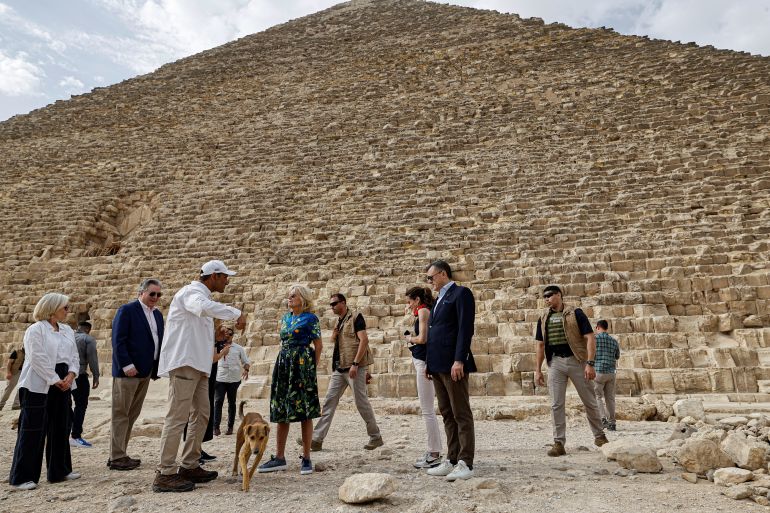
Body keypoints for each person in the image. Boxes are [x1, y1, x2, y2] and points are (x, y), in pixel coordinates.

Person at [153, 260, 245, 493]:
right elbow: (200, 307)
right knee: (177, 417)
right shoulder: (191, 293)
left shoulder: (204, 298)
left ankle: (189, 464)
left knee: (202, 415)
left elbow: (195, 327)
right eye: (225, 277)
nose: (227, 281)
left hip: (199, 365)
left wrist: (216, 333)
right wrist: (236, 313)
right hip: (185, 363)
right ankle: (165, 472)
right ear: (213, 276)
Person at [9, 293, 81, 490]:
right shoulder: (35, 330)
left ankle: (60, 470)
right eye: (65, 307)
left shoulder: (66, 330)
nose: (68, 311)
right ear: (52, 308)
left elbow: (74, 355)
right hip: (38, 383)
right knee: (32, 429)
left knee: (61, 426)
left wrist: (72, 374)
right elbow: (37, 357)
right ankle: (22, 477)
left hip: (64, 379)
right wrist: (55, 379)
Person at [301, 293, 382, 452]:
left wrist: (356, 364)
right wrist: (334, 334)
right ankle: (316, 439)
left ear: (343, 303)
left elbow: (364, 340)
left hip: (353, 368)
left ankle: (375, 437)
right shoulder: (339, 321)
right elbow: (336, 342)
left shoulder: (356, 317)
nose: (332, 307)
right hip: (339, 368)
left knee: (361, 403)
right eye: (330, 304)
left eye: (334, 304)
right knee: (329, 402)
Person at [534, 285, 608, 457]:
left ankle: (600, 436)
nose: (546, 299)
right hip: (555, 363)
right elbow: (540, 344)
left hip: (577, 362)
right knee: (556, 404)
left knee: (589, 400)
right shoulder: (543, 317)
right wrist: (537, 370)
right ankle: (558, 443)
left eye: (550, 295)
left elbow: (590, 337)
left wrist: (590, 363)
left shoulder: (576, 313)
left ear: (559, 295)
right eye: (544, 296)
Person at [258, 284, 322, 476]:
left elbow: (318, 346)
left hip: (302, 366)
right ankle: (279, 457)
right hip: (284, 364)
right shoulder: (286, 318)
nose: (289, 298)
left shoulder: (311, 319)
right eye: (288, 296)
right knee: (282, 409)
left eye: (293, 295)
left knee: (305, 411)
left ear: (303, 298)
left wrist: (311, 368)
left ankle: (307, 457)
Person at [423, 260, 476, 481]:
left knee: (460, 413)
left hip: (453, 364)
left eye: (431, 277)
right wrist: (429, 363)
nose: (429, 282)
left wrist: (459, 360)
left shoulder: (461, 293)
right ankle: (452, 458)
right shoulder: (438, 300)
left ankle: (466, 462)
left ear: (443, 274)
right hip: (437, 364)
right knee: (446, 413)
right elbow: (435, 333)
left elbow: (465, 328)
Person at [109, 278, 165, 471]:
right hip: (128, 372)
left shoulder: (157, 315)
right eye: (152, 294)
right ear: (141, 292)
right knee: (121, 413)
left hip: (145, 371)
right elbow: (118, 340)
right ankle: (116, 456)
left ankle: (121, 453)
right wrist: (126, 364)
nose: (155, 298)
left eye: (159, 294)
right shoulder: (127, 310)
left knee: (132, 414)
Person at [404, 286, 443, 469]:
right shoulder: (422, 311)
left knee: (427, 410)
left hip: (424, 363)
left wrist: (409, 339)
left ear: (417, 300)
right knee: (427, 409)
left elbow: (423, 339)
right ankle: (433, 451)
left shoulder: (423, 312)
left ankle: (434, 453)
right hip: (421, 361)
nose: (409, 305)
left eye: (410, 301)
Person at [214, 325, 250, 436]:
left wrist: (246, 369)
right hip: (220, 378)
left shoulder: (238, 348)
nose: (227, 335)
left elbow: (246, 361)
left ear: (232, 336)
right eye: (225, 333)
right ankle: (216, 427)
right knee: (218, 402)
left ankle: (230, 427)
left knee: (232, 403)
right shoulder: (217, 346)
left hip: (234, 379)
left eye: (229, 334)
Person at [70, 321, 100, 448]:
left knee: (64, 405)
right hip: (79, 375)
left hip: (61, 376)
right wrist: (96, 375)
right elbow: (92, 358)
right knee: (81, 405)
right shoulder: (88, 339)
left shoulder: (68, 336)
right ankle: (75, 436)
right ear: (88, 329)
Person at [593, 319, 620, 431]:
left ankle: (602, 419)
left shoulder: (594, 339)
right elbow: (617, 356)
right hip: (610, 373)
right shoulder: (614, 341)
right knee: (610, 399)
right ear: (607, 328)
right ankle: (612, 423)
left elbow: (589, 354)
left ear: (597, 327)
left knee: (597, 396)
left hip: (598, 371)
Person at [0, 346, 24, 411]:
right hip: (14, 372)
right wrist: (8, 373)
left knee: (21, 389)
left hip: (24, 373)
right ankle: (1, 405)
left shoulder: (30, 352)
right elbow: (9, 363)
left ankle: (16, 405)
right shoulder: (16, 352)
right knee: (8, 389)